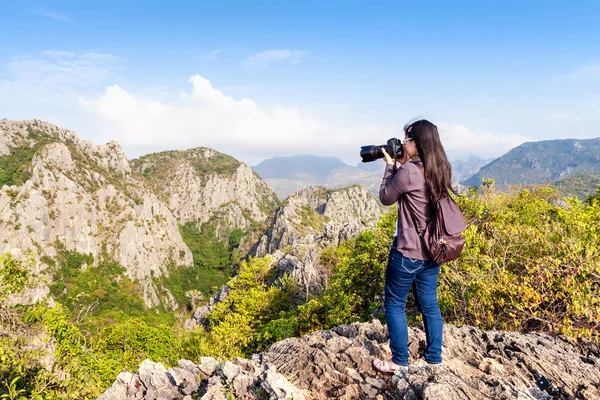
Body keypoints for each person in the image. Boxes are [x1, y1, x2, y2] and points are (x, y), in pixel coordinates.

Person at [372, 119, 453, 374]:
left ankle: (399, 361)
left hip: (408, 251)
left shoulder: (409, 172)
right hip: (433, 250)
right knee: (429, 304)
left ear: (417, 142)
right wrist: (403, 164)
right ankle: (434, 358)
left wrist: (390, 167)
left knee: (394, 303)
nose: (404, 144)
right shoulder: (440, 168)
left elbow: (386, 198)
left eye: (406, 140)